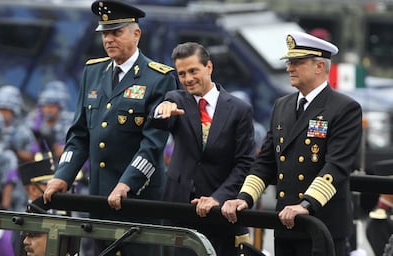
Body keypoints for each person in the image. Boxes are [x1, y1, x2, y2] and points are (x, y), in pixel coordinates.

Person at [43, 0, 177, 254]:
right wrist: (63, 175)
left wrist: (127, 183)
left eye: (117, 32)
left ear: (136, 34)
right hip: (99, 198)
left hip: (138, 200)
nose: (109, 39)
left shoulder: (159, 78)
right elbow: (80, 134)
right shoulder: (92, 73)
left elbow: (153, 144)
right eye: (105, 33)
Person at [221, 31, 363, 256]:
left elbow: (336, 166)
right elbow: (266, 162)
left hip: (321, 225)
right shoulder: (282, 105)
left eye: (297, 62)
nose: (289, 68)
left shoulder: (344, 108)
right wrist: (244, 198)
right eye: (289, 62)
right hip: (285, 225)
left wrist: (305, 205)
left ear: (319, 67)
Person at [150, 42, 256, 256]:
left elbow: (245, 163)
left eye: (193, 71)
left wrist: (219, 198)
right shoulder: (176, 99)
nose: (188, 79)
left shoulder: (239, 109)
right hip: (179, 208)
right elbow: (161, 118)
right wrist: (160, 110)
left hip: (220, 211)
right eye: (181, 74)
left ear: (209, 67)